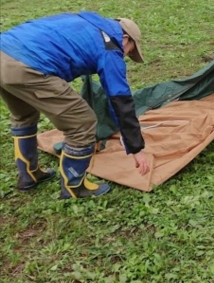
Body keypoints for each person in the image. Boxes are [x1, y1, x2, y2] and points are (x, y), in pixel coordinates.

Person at [0, 13, 151, 199]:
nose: (126, 55)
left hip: (4, 52)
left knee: (24, 116)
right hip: (29, 65)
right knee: (82, 123)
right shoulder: (111, 45)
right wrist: (135, 147)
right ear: (125, 38)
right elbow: (120, 100)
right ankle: (75, 187)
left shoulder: (86, 21)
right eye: (130, 50)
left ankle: (29, 175)